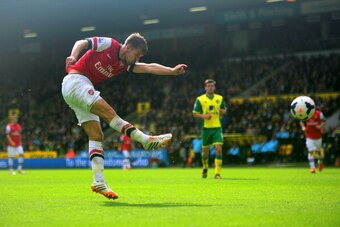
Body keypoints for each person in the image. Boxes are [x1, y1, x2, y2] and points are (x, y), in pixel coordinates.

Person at [62, 33, 187, 199]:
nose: (137, 59)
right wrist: (73, 56)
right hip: (76, 81)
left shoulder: (125, 64)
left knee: (96, 135)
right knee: (110, 114)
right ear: (128, 47)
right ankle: (145, 140)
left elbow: (148, 67)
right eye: (136, 54)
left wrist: (171, 71)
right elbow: (81, 42)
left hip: (76, 90)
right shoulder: (110, 44)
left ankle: (98, 182)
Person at [192, 79, 227, 179]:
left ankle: (217, 173)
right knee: (205, 152)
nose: (210, 87)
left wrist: (223, 111)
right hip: (206, 129)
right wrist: (204, 116)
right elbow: (194, 112)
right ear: (205, 87)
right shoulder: (200, 99)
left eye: (212, 86)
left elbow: (224, 109)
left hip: (217, 128)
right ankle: (205, 166)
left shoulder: (219, 98)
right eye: (208, 86)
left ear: (214, 87)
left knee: (218, 149)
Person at [300, 108, 326, 173]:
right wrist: (303, 127)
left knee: (318, 151)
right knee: (310, 151)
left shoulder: (319, 113)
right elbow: (301, 121)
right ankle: (312, 167)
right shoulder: (306, 113)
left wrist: (320, 126)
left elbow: (324, 121)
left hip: (318, 136)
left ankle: (320, 162)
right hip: (309, 136)